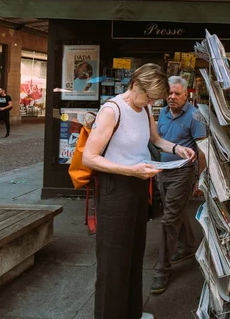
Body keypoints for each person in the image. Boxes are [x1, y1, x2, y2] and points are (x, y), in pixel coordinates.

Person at [82, 64, 195, 319]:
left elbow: (154, 139)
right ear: (135, 85)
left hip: (137, 183)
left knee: (133, 254)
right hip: (115, 187)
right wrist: (130, 170)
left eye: (155, 98)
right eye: (149, 96)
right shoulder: (112, 110)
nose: (152, 102)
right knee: (113, 261)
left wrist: (177, 149)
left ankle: (130, 312)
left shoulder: (143, 108)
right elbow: (90, 157)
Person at [151, 76, 207, 295]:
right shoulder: (163, 113)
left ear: (186, 95)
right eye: (169, 93)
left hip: (182, 173)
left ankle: (161, 270)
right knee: (176, 212)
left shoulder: (194, 116)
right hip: (161, 172)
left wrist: (200, 179)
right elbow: (158, 139)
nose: (172, 97)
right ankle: (188, 247)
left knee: (168, 220)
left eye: (177, 94)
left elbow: (202, 149)